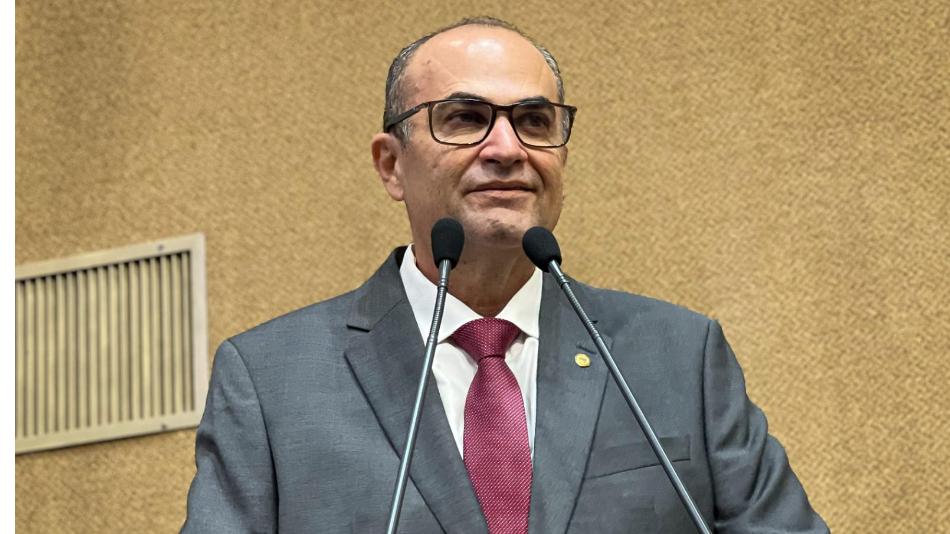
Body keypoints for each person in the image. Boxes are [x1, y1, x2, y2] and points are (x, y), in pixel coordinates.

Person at [183, 17, 828, 533]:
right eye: (464, 118)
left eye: (534, 122)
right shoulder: (272, 383)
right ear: (391, 166)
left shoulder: (678, 357)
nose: (507, 148)